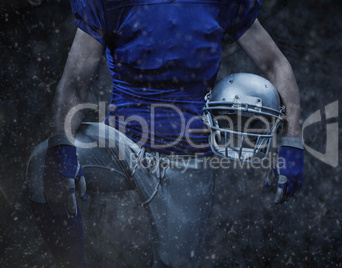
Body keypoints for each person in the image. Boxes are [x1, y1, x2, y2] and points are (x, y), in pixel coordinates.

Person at [26, 0, 304, 267]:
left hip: (188, 155)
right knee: (44, 165)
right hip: (122, 141)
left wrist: (293, 141)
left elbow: (275, 64)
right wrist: (61, 146)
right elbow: (75, 82)